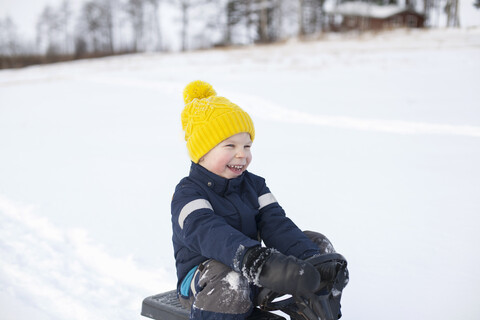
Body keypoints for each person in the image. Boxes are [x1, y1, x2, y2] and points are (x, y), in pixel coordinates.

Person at [171, 80, 341, 320]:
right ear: (202, 151)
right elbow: (208, 232)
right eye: (230, 145)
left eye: (247, 145)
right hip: (203, 284)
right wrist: (254, 259)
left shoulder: (255, 185)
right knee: (228, 273)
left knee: (317, 246)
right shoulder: (188, 193)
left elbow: (276, 224)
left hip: (251, 271)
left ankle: (314, 313)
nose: (242, 154)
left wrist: (308, 261)